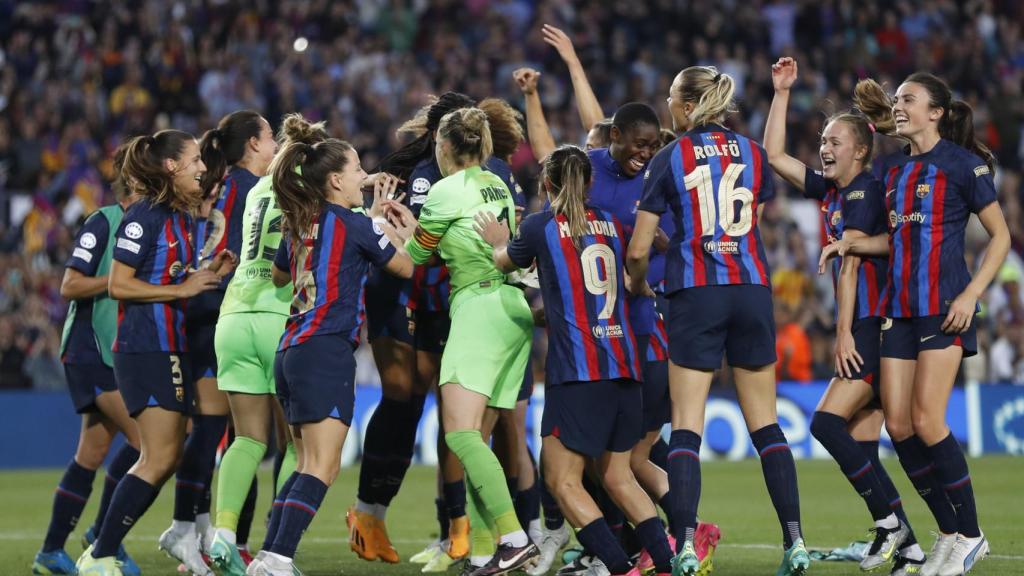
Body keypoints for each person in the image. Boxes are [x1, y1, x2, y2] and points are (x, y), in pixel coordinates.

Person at [821, 72, 1010, 576]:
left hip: (944, 307)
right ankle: (947, 534)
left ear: (936, 113)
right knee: (900, 426)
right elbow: (897, 242)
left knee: (927, 420)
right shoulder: (890, 171)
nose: (899, 106)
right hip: (896, 312)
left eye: (909, 99)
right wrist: (851, 244)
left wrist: (972, 295)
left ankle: (971, 534)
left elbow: (1001, 237)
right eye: (898, 99)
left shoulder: (963, 166)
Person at [626, 66, 809, 576]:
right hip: (751, 290)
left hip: (696, 293)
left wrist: (638, 280)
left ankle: (684, 544)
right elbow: (755, 211)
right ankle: (795, 541)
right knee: (767, 425)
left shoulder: (670, 156)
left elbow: (640, 247)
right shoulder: (751, 152)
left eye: (670, 99)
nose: (668, 107)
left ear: (686, 105)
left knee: (686, 427)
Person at [477, 143, 677, 576]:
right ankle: (666, 565)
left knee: (562, 481)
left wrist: (497, 240)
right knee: (619, 477)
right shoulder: (610, 223)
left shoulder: (538, 227)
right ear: (589, 182)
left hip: (580, 373)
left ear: (545, 182)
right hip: (626, 366)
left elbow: (503, 262)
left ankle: (620, 567)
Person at [353, 92, 528, 572]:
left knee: (459, 430)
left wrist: (380, 226)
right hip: (505, 308)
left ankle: (495, 536)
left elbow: (414, 259)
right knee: (450, 419)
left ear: (444, 142)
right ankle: (496, 538)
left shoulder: (447, 188)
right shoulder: (496, 181)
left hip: (467, 306)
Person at [764, 57, 924, 574]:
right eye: (823, 142)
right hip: (871, 324)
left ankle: (892, 526)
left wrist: (841, 334)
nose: (823, 149)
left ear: (859, 150)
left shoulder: (863, 191)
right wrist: (782, 92)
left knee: (827, 425)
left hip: (875, 325)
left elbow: (852, 261)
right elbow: (774, 156)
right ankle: (911, 547)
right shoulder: (834, 188)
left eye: (834, 143)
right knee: (859, 443)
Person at [244, 138, 414, 576]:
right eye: (358, 168)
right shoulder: (353, 225)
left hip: (292, 349)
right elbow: (405, 267)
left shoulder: (302, 220)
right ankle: (279, 557)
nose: (364, 176)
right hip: (325, 349)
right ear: (336, 179)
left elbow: (282, 273)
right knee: (322, 466)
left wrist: (366, 224)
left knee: (304, 463)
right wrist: (401, 231)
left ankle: (269, 555)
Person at [76, 129, 236, 576]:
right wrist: (182, 287)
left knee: (165, 454)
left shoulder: (180, 218)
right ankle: (101, 552)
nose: (202, 167)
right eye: (195, 160)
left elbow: (171, 274)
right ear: (172, 166)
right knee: (159, 456)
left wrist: (207, 273)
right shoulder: (142, 217)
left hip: (170, 344)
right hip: (145, 346)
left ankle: (102, 549)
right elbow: (118, 284)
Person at [206, 113, 326, 575]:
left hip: (234, 314)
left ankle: (223, 535)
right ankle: (276, 549)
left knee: (247, 439)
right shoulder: (303, 183)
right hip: (279, 317)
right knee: (298, 441)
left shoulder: (257, 188)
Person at [160, 108, 278, 569]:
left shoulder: (221, 186)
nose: (273, 146)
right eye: (269, 137)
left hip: (205, 310)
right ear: (252, 143)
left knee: (218, 432)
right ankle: (205, 533)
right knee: (235, 435)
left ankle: (198, 530)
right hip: (227, 309)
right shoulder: (253, 190)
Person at [33, 145, 142, 576]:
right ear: (134, 184)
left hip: (115, 352)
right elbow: (70, 285)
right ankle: (102, 536)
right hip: (88, 349)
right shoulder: (103, 221)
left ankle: (50, 551)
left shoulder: (145, 227)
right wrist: (117, 282)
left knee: (92, 453)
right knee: (150, 444)